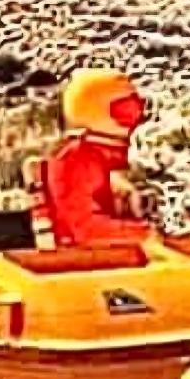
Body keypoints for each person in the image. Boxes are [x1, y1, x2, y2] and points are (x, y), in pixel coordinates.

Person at [43, 68, 153, 246]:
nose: (136, 112)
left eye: (137, 104)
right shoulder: (75, 157)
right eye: (125, 107)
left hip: (137, 250)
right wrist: (150, 234)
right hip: (89, 256)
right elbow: (87, 229)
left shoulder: (137, 150)